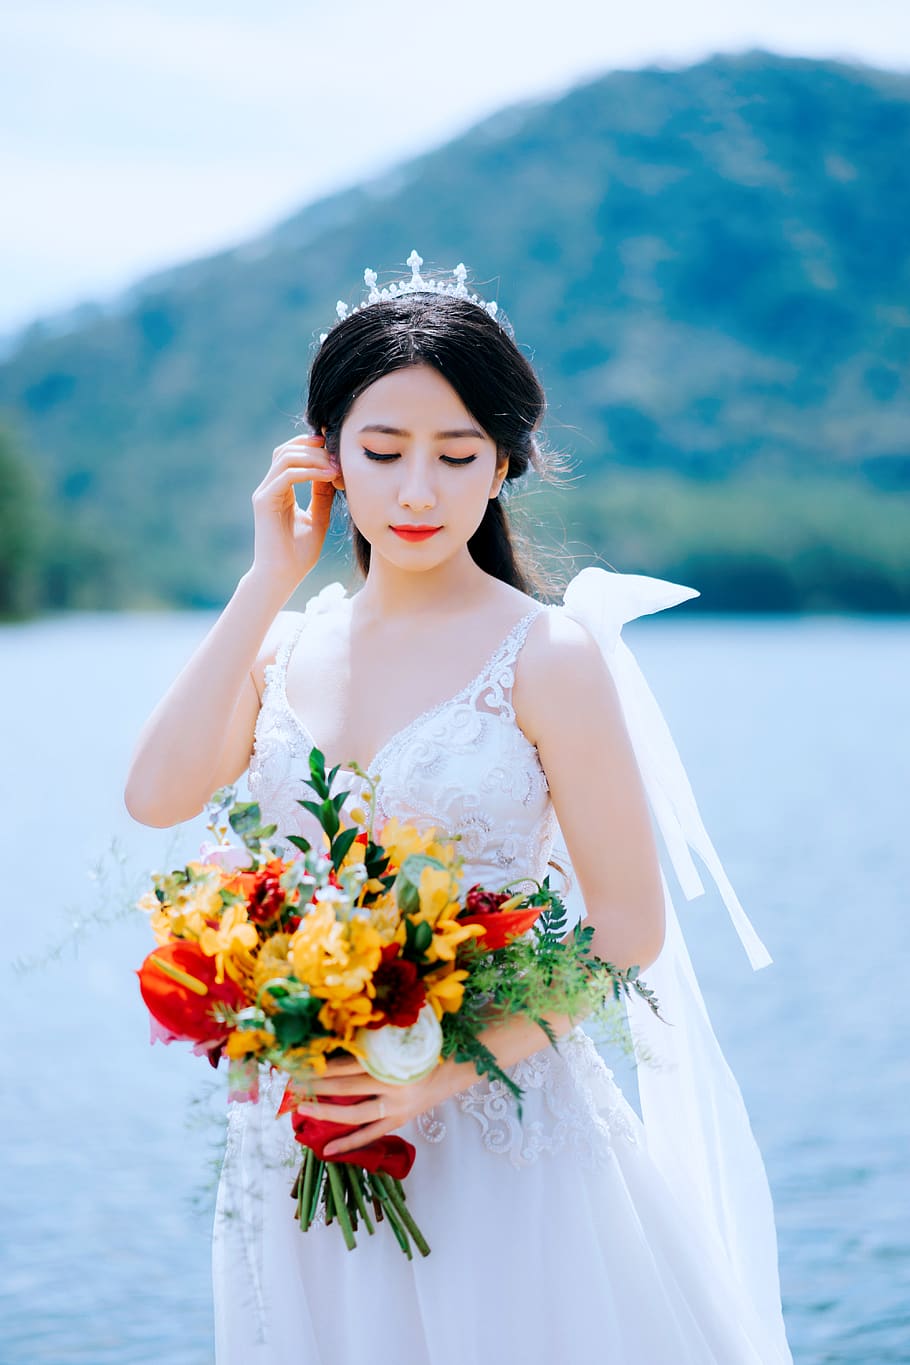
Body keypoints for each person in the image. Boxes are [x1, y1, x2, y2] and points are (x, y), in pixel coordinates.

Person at [124, 251, 793, 1364]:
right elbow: (154, 798)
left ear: (506, 463)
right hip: (300, 1131)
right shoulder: (283, 645)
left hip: (498, 1134)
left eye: (455, 453)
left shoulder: (547, 655)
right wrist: (263, 582)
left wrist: (439, 1077)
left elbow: (625, 932)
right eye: (382, 453)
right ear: (327, 457)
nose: (418, 490)